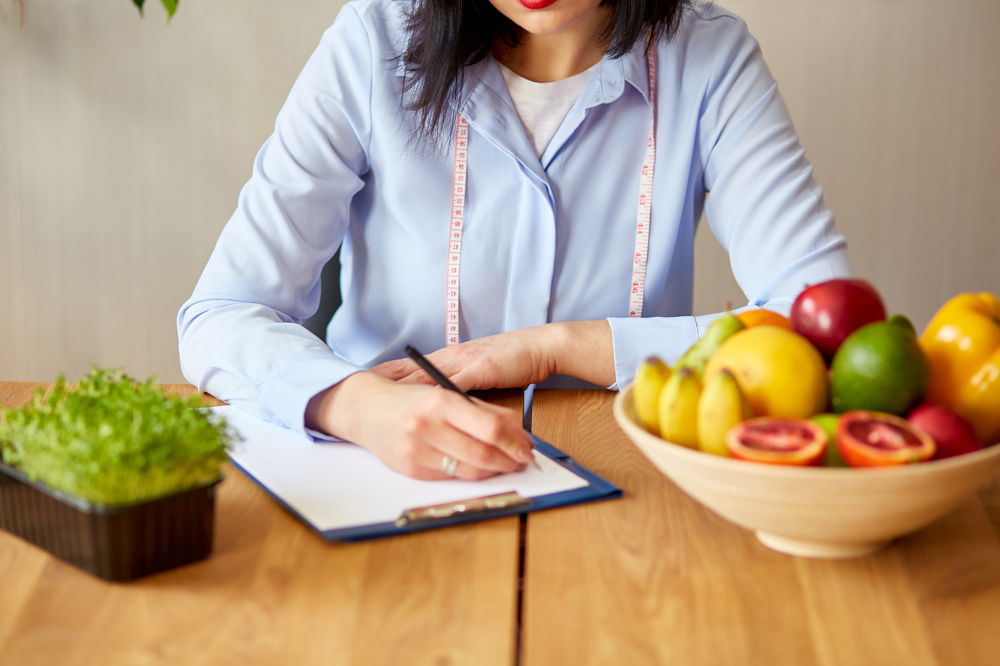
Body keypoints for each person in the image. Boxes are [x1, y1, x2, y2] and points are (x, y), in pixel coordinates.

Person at [178, 0, 850, 482]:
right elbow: (223, 314)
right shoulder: (371, 41)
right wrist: (355, 405)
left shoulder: (710, 59)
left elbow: (823, 325)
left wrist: (553, 347)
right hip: (384, 482)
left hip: (630, 491)